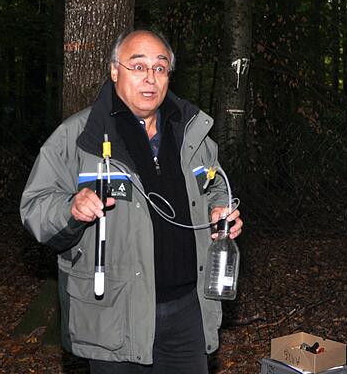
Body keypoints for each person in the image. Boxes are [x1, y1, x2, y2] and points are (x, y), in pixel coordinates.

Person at [20, 29, 242, 373]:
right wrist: (70, 209)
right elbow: (34, 206)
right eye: (138, 67)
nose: (150, 78)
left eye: (160, 67)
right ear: (114, 71)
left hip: (188, 313)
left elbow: (215, 186)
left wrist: (219, 208)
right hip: (115, 317)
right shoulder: (79, 136)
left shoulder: (191, 133)